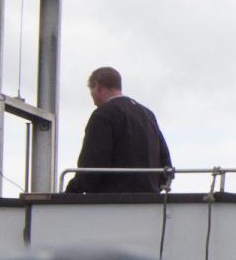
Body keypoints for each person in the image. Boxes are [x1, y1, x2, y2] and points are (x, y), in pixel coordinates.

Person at [65, 67, 173, 195]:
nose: (93, 100)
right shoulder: (148, 114)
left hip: (113, 200)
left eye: (91, 91)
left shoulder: (103, 115)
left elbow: (93, 162)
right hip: (149, 200)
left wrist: (71, 192)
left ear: (97, 86)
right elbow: (165, 161)